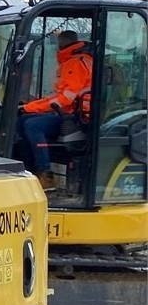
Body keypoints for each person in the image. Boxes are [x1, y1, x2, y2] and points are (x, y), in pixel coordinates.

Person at [16, 30, 93, 188]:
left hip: (76, 117)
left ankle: (45, 173)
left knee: (32, 125)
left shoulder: (75, 63)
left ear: (62, 43)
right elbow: (59, 96)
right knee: (23, 120)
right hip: (74, 112)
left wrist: (30, 107)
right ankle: (27, 168)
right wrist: (29, 107)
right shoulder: (78, 60)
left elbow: (64, 99)